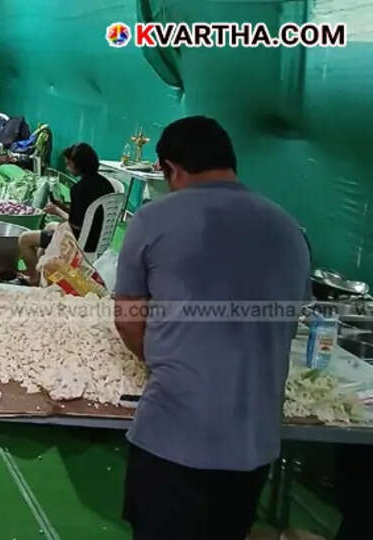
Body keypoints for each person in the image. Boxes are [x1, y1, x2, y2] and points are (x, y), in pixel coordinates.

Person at [113, 116, 310, 540]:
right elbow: (287, 326)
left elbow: (127, 319)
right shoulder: (289, 228)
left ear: (171, 168)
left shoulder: (153, 219)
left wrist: (168, 360)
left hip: (173, 436)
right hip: (253, 444)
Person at [18, 143, 115, 285]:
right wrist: (61, 205)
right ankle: (40, 275)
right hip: (99, 238)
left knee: (24, 239)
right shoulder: (106, 184)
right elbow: (86, 214)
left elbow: (76, 225)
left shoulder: (79, 189)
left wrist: (57, 211)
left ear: (78, 164)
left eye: (69, 164)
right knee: (50, 226)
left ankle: (34, 277)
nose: (68, 168)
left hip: (81, 242)